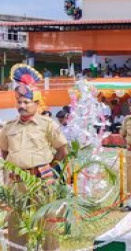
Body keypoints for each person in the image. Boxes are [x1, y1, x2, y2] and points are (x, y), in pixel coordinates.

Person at [0, 64, 68, 250]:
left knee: (47, 218)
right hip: (16, 182)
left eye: (26, 102)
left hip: (41, 180)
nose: (21, 106)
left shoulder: (47, 124)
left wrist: (48, 167)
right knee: (15, 220)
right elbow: (5, 152)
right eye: (19, 102)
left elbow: (62, 150)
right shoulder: (8, 126)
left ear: (36, 104)